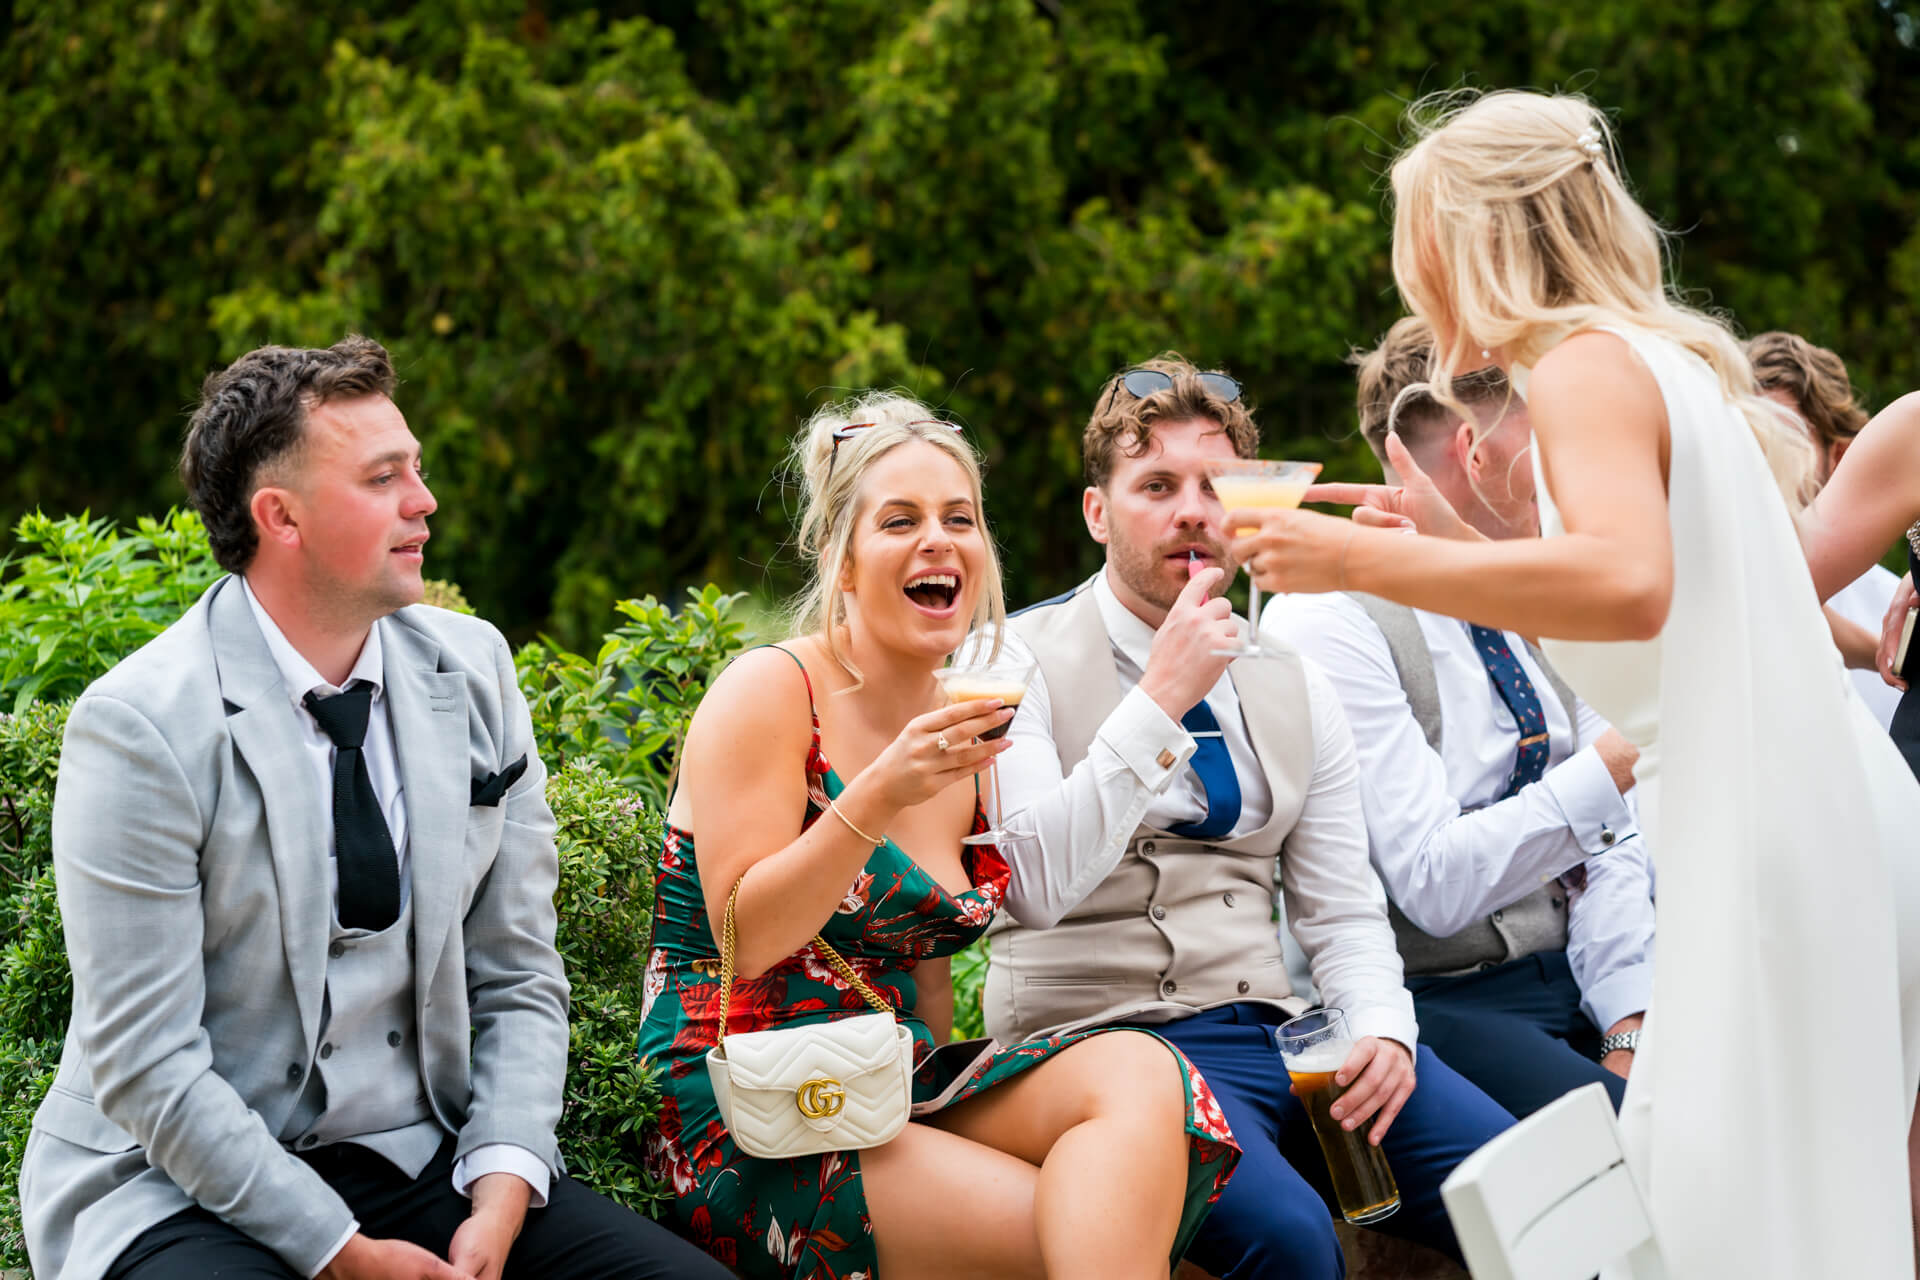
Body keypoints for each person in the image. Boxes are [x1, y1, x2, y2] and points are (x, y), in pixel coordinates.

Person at [1226, 91, 1920, 1278]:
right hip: (1809, 798)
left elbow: (1629, 586)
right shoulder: (1654, 357)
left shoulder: (1582, 366)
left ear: (1472, 237)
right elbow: (1669, 595)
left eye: (1418, 241)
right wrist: (1442, 550)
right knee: (1786, 1188)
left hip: (1757, 812)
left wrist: (1356, 560)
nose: (1410, 277)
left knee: (1728, 1205)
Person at [19, 337, 727, 1280]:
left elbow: (518, 971)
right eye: (384, 477)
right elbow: (150, 1067)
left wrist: (505, 1187)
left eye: (418, 469)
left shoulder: (474, 670)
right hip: (171, 1183)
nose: (423, 500)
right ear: (282, 517)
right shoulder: (141, 727)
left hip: (415, 1156)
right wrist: (342, 1256)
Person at [635, 393, 1238, 1280]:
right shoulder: (770, 691)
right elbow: (743, 936)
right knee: (1082, 1229)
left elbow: (924, 971)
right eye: (900, 521)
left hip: (887, 1074)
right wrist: (875, 796)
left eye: (960, 518)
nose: (938, 540)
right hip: (750, 1093)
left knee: (1143, 1075)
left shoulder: (967, 718)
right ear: (842, 562)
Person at [983, 357, 1514, 1280]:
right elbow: (1026, 886)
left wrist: (1382, 1028)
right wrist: (1159, 700)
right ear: (1096, 513)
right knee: (1292, 1240)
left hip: (1273, 1032)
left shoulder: (1292, 679)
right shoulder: (1011, 659)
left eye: (1213, 487)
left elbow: (1342, 910)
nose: (1191, 511)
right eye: (1156, 486)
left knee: (1523, 1186)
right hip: (1101, 1054)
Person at [1266, 317, 1655, 1120]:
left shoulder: (1542, 579)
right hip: (1432, 1004)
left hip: (1581, 977)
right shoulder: (1328, 620)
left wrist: (1626, 1013)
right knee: (1649, 1149)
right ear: (1466, 444)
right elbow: (1436, 889)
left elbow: (1615, 838)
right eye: (1542, 436)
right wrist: (1622, 758)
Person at [1746, 330, 1902, 728]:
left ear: (1840, 456)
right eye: (1744, 441)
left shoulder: (1892, 612)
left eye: (1784, 442)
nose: (1758, 465)